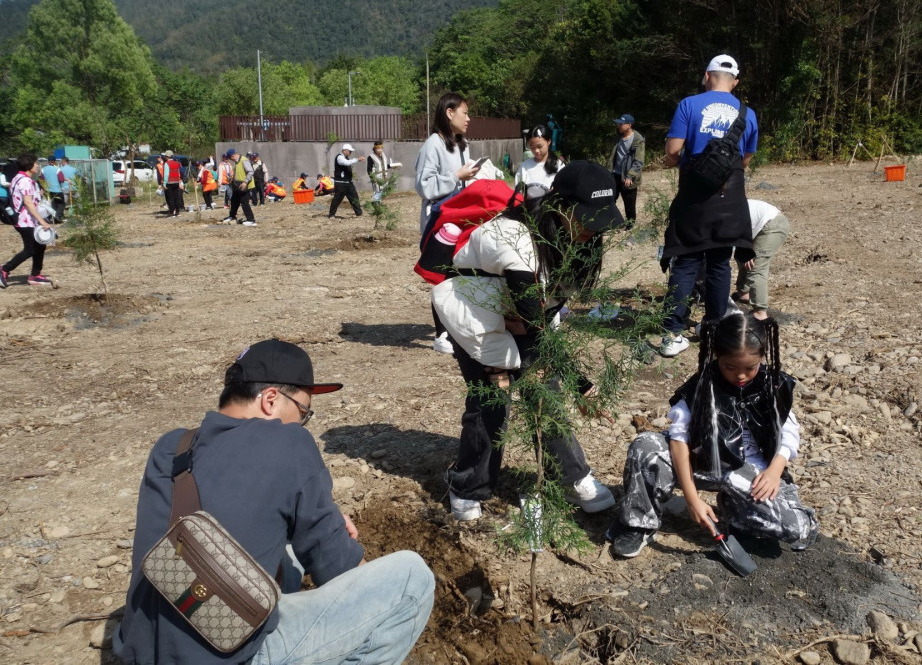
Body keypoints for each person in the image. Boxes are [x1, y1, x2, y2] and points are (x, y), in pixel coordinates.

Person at [113, 339, 434, 664]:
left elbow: (230, 516)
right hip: (232, 655)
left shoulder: (171, 446)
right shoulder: (289, 441)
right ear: (270, 399)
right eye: (303, 412)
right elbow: (340, 570)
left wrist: (316, 516)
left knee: (287, 553)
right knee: (411, 578)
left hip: (139, 650)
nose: (302, 423)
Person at [433, 160, 624, 521]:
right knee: (491, 399)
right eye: (586, 218)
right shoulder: (517, 240)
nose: (593, 230)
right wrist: (582, 384)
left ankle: (571, 477)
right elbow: (532, 323)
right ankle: (467, 484)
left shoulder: (578, 241)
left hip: (522, 316)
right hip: (472, 312)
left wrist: (569, 381)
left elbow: (548, 308)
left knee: (544, 393)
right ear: (560, 207)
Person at [606, 314, 818, 558]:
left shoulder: (774, 384)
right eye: (730, 367)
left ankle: (736, 510)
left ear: (762, 356)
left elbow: (789, 432)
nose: (740, 375)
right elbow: (679, 441)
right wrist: (692, 499)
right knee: (646, 445)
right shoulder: (701, 386)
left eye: (750, 368)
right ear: (717, 356)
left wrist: (774, 471)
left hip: (753, 475)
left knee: (798, 529)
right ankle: (638, 522)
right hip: (706, 462)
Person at [653, 54, 760, 358]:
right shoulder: (747, 113)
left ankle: (672, 333)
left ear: (706, 75)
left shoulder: (689, 104)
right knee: (718, 262)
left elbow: (673, 151)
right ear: (735, 81)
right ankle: (712, 328)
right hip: (731, 196)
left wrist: (677, 162)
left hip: (694, 194)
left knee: (686, 260)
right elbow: (745, 160)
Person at [415, 92, 482, 354]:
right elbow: (424, 186)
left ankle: (458, 329)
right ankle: (442, 334)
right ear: (449, 113)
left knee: (461, 273)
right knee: (441, 274)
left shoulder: (461, 144)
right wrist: (457, 175)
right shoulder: (433, 144)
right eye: (464, 112)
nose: (468, 118)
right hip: (439, 221)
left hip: (461, 217)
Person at [1, 154, 55, 288]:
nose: (37, 166)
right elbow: (28, 203)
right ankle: (5, 269)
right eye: (36, 163)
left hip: (25, 220)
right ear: (29, 165)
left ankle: (36, 274)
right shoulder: (25, 181)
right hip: (25, 221)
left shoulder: (18, 178)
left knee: (40, 245)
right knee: (30, 249)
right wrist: (42, 221)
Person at [733, 200, 789, 321]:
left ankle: (760, 312)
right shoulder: (719, 206)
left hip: (772, 224)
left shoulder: (722, 208)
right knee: (741, 256)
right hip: (759, 225)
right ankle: (744, 293)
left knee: (756, 267)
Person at [606, 113, 645, 228]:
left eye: (621, 123)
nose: (619, 125)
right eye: (618, 123)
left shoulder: (638, 140)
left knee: (629, 202)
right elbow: (612, 156)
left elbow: (639, 161)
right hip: (615, 174)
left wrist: (630, 176)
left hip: (628, 176)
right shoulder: (618, 137)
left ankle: (629, 224)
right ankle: (612, 222)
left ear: (629, 125)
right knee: (610, 199)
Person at [514, 124, 564, 190]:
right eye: (532, 147)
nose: (536, 151)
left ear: (549, 141)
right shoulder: (524, 166)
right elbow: (518, 192)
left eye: (540, 146)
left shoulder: (558, 165)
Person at [222, 148, 257, 226]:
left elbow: (251, 171)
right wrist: (232, 178)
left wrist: (245, 182)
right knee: (234, 201)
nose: (230, 160)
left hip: (245, 185)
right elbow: (238, 172)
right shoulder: (237, 162)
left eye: (230, 158)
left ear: (233, 156)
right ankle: (232, 216)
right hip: (237, 185)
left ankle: (251, 220)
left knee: (244, 202)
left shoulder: (244, 160)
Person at [328, 144, 364, 218]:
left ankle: (359, 213)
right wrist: (357, 159)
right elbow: (346, 163)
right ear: (344, 150)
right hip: (341, 184)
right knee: (337, 199)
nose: (351, 152)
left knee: (354, 198)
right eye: (349, 151)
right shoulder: (339, 157)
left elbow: (348, 162)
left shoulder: (346, 158)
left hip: (348, 183)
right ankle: (331, 214)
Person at [162, 150, 185, 218]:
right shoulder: (177, 163)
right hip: (176, 182)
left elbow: (166, 174)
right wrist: (179, 181)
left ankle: (172, 212)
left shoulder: (166, 164)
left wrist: (164, 183)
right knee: (176, 197)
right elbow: (179, 173)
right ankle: (177, 212)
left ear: (167, 157)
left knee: (170, 198)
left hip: (169, 182)